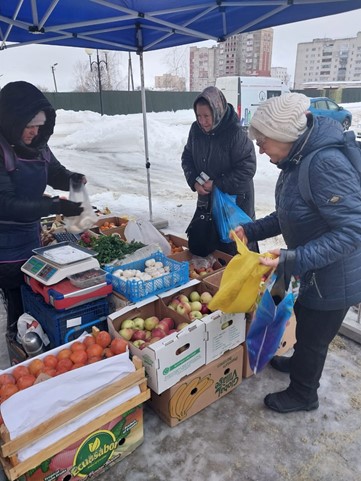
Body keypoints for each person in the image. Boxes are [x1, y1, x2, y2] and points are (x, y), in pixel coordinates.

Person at [234, 92, 361, 413]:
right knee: (303, 322)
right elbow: (290, 212)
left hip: (335, 275)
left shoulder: (324, 163)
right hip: (309, 267)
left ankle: (304, 394)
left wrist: (295, 259)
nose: (260, 149)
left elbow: (352, 230)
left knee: (316, 339)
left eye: (262, 141)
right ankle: (299, 361)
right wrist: (252, 229)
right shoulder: (296, 159)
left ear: (282, 135)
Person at [0, 81, 86, 338]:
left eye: (39, 126)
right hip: (5, 247)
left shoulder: (39, 146)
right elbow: (7, 204)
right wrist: (56, 206)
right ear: (12, 121)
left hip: (31, 238)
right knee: (17, 301)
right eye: (29, 126)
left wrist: (73, 178)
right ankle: (17, 348)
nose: (34, 133)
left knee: (36, 296)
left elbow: (54, 172)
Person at [181, 86, 257, 255]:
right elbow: (187, 157)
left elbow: (248, 166)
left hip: (234, 201)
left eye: (207, 116)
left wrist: (217, 184)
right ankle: (213, 280)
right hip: (207, 198)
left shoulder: (235, 133)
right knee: (209, 243)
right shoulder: (196, 130)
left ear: (217, 111)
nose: (203, 121)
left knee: (236, 247)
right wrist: (194, 180)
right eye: (199, 116)